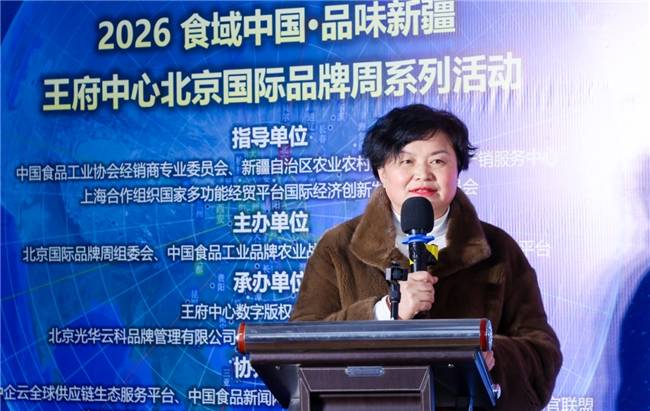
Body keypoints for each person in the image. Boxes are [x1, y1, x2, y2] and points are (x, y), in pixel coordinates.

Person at [290, 104, 562, 410]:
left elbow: (542, 354)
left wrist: (487, 357)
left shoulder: (497, 249)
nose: (422, 174)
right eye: (406, 161)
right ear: (381, 171)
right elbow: (300, 346)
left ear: (458, 168)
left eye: (438, 161)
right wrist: (385, 312)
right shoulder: (339, 247)